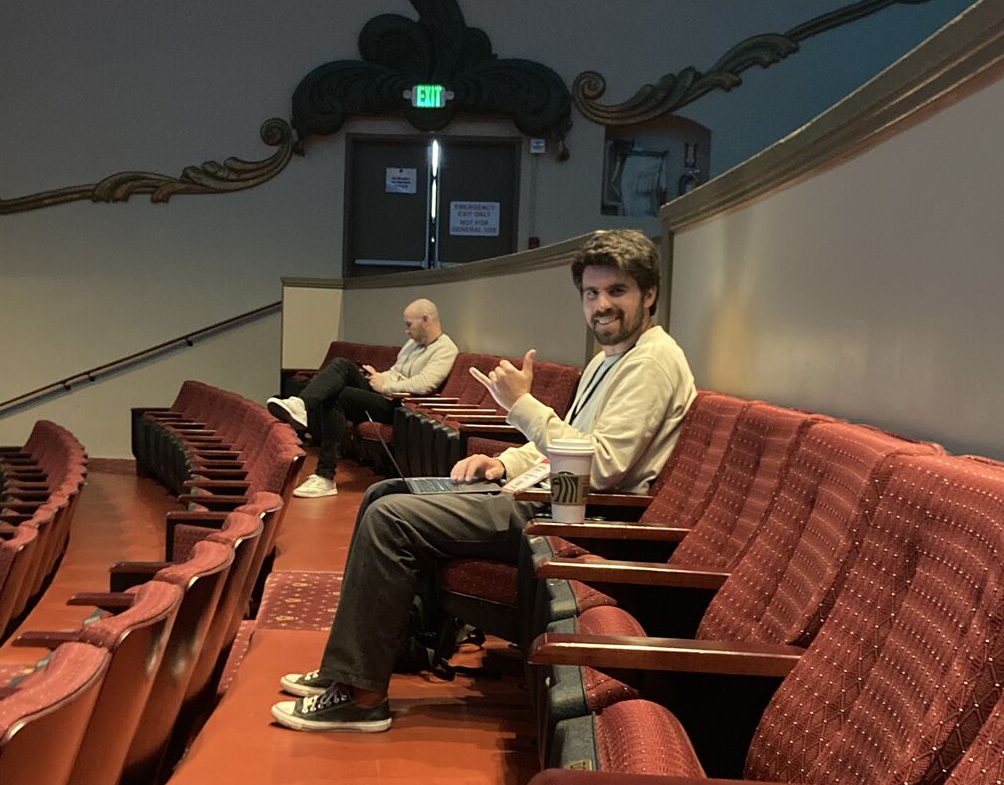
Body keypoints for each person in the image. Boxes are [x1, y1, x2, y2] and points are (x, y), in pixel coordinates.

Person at [271, 230, 696, 732]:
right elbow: (565, 442)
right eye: (591, 293)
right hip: (551, 493)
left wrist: (522, 405)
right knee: (386, 492)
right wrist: (504, 464)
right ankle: (370, 658)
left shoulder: (651, 362)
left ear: (649, 294)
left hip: (578, 517)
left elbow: (599, 466)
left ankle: (360, 698)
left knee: (392, 518)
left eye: (616, 291)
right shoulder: (610, 357)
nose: (601, 305)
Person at [269, 299, 457, 499]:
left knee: (337, 396)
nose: (406, 331)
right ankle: (300, 405)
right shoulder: (412, 344)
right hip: (383, 394)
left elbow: (425, 383)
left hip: (400, 407)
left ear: (425, 320)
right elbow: (395, 372)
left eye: (409, 324)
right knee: (341, 365)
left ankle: (324, 474)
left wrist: (385, 386)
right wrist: (378, 376)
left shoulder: (445, 348)